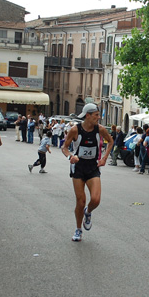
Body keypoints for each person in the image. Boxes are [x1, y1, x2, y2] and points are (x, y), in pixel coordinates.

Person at [62, 103, 113, 242]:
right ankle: (78, 230)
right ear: (88, 115)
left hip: (93, 167)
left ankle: (88, 212)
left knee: (95, 200)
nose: (98, 117)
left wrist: (104, 158)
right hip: (78, 167)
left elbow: (110, 141)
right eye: (96, 115)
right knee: (81, 201)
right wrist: (70, 157)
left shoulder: (100, 129)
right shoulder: (75, 130)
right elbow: (64, 147)